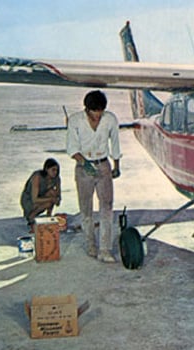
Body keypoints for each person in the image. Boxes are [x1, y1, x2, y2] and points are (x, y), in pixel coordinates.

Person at [66, 90, 121, 263]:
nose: (98, 116)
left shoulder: (110, 119)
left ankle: (105, 250)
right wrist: (85, 164)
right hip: (83, 167)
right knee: (86, 209)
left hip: (103, 165)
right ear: (87, 109)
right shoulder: (75, 120)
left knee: (107, 208)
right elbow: (71, 148)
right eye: (94, 112)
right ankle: (90, 244)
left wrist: (116, 165)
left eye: (101, 112)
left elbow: (115, 142)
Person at [20, 158, 61, 232]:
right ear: (46, 169)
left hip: (42, 198)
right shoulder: (37, 176)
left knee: (52, 192)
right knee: (49, 202)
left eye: (56, 170)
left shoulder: (56, 179)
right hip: (29, 200)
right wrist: (51, 199)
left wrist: (57, 199)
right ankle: (31, 217)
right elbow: (34, 199)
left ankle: (49, 217)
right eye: (53, 170)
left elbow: (58, 196)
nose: (55, 172)